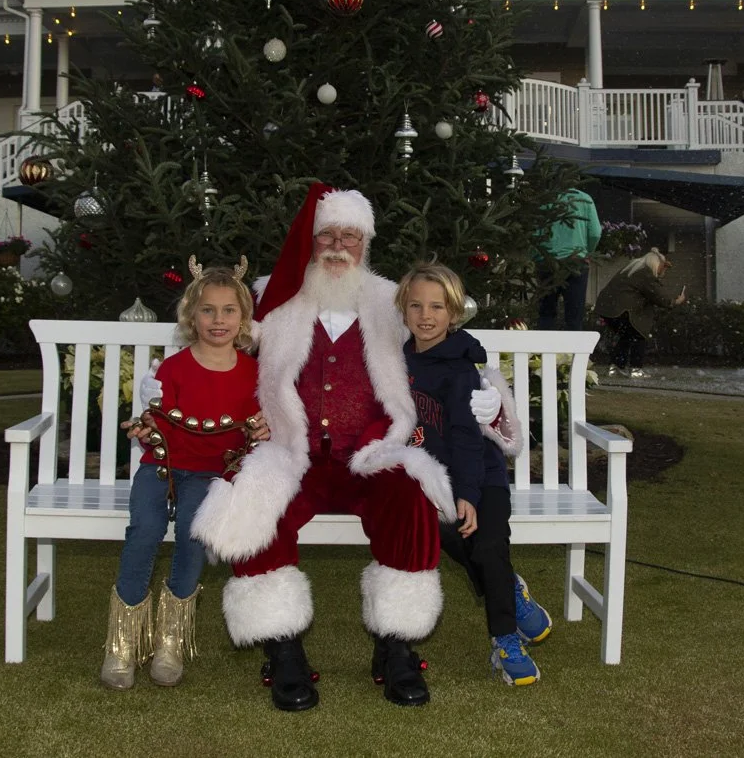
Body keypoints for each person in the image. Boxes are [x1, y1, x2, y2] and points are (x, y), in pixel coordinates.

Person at [191, 184, 501, 711]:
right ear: (309, 244)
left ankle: (395, 644)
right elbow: (217, 336)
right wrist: (166, 380)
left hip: (370, 451)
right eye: (326, 235)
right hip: (295, 451)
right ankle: (282, 646)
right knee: (256, 505)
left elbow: (444, 340)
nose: (337, 246)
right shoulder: (274, 296)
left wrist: (493, 396)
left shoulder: (390, 301)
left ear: (366, 244)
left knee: (409, 498)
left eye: (350, 237)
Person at [99, 256, 266, 691]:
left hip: (212, 476)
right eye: (208, 309)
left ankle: (170, 641)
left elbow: (258, 431)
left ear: (244, 317)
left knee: (194, 534)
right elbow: (157, 425)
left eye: (229, 310)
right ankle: (122, 644)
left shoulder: (254, 374)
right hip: (162, 469)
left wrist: (266, 429)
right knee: (145, 531)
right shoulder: (172, 369)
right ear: (192, 315)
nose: (218, 319)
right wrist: (145, 426)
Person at [398, 262, 552, 686]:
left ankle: (505, 639)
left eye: (437, 307)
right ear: (403, 308)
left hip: (480, 474)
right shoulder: (397, 359)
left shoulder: (461, 367)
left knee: (488, 546)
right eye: (416, 305)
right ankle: (510, 588)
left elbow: (467, 436)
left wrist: (466, 492)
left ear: (453, 313)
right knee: (437, 530)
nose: (425, 316)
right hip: (431, 478)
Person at [594, 248, 686, 378]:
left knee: (627, 336)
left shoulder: (632, 269)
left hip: (607, 309)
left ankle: (615, 367)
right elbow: (659, 296)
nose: (663, 270)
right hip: (621, 310)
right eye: (662, 267)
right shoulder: (646, 274)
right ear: (656, 264)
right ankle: (636, 369)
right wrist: (675, 302)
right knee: (639, 334)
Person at [537, 188, 601, 331]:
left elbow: (536, 232)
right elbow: (595, 233)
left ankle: (542, 349)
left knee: (546, 312)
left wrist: (537, 257)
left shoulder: (546, 199)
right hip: (576, 260)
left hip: (548, 260)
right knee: (575, 313)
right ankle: (572, 351)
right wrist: (587, 252)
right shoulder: (585, 199)